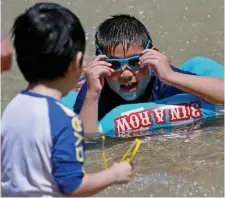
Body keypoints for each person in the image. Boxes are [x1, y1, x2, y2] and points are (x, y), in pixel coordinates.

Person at [1, 4, 132, 197]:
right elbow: (73, 187)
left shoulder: (13, 108)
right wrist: (114, 174)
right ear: (77, 63)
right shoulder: (65, 120)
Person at [74, 14, 224, 121]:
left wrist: (170, 75)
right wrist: (92, 94)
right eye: (114, 64)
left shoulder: (162, 80)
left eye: (135, 62)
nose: (126, 74)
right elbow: (82, 140)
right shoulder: (95, 87)